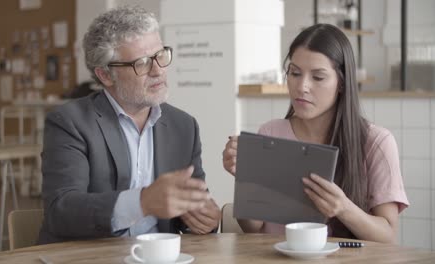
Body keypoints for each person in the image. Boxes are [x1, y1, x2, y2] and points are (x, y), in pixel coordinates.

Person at [38, 6, 220, 244]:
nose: (158, 70)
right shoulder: (70, 122)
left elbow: (188, 210)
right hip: (88, 257)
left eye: (160, 55)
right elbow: (60, 211)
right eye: (142, 63)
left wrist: (206, 219)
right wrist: (142, 203)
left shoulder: (183, 126)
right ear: (105, 75)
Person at [222, 24, 409, 243]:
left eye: (318, 77)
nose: (302, 86)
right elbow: (255, 230)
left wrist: (343, 208)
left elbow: (388, 237)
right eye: (295, 73)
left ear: (341, 82)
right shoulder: (270, 133)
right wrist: (246, 178)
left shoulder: (377, 142)